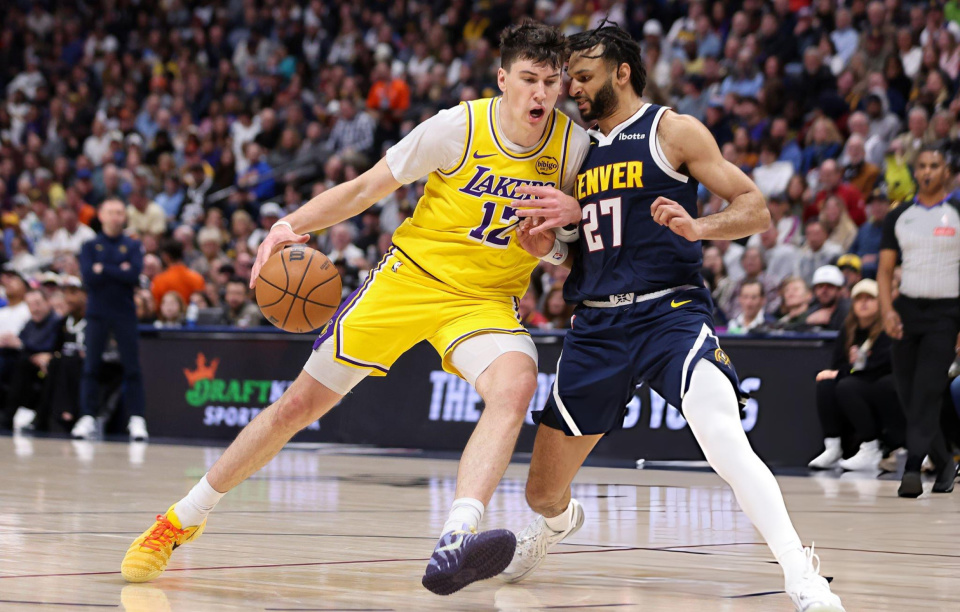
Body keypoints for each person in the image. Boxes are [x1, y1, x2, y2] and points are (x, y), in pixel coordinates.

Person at [120, 22, 590, 596]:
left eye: (551, 81)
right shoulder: (458, 127)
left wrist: (554, 247)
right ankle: (181, 519)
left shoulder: (573, 148)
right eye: (529, 79)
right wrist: (289, 224)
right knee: (297, 406)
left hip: (484, 300)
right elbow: (367, 188)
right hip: (409, 281)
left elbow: (575, 247)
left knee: (515, 386)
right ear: (502, 79)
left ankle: (457, 536)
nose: (541, 93)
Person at [504, 24, 843, 612]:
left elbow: (756, 208)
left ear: (622, 72)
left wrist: (700, 227)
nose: (572, 89)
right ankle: (558, 523)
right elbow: (581, 253)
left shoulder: (672, 131)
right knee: (541, 493)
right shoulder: (577, 153)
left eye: (582, 77)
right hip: (597, 327)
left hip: (670, 313)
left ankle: (800, 572)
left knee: (722, 434)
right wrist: (549, 250)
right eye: (569, 79)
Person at [878, 145, 960, 498]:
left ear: (946, 172)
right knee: (909, 394)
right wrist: (887, 310)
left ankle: (912, 467)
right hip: (907, 311)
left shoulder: (957, 213)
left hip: (947, 313)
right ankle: (944, 462)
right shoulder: (899, 216)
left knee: (927, 389)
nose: (927, 171)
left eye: (934, 165)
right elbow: (885, 271)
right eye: (922, 166)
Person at [808, 279, 904, 471]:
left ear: (880, 303)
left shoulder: (888, 328)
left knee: (848, 385)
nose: (863, 303)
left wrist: (852, 367)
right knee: (826, 384)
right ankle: (833, 446)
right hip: (861, 379)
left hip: (882, 380)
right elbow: (839, 364)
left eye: (870, 298)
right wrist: (848, 369)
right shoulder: (848, 328)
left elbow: (884, 364)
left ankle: (871, 446)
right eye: (859, 299)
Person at [72, 199, 148, 442]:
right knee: (91, 366)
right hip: (97, 312)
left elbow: (133, 275)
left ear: (124, 217)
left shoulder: (133, 245)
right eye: (111, 212)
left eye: (120, 212)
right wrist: (118, 269)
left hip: (124, 312)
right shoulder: (89, 245)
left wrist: (103, 268)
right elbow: (89, 278)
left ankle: (137, 419)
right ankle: (87, 416)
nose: (116, 217)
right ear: (101, 215)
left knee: (132, 367)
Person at [805, 265, 850, 331]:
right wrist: (808, 321)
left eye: (830, 286)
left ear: (839, 290)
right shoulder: (812, 309)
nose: (824, 291)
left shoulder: (849, 311)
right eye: (820, 286)